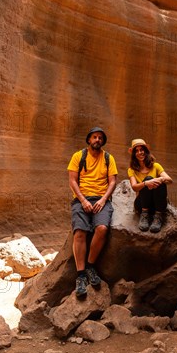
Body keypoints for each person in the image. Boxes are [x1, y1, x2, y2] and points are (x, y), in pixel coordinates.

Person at [67, 127, 118, 298]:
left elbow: (112, 182)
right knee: (80, 232)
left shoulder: (108, 158)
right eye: (94, 137)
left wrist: (103, 200)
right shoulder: (78, 156)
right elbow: (72, 180)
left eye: (100, 138)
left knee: (102, 228)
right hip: (81, 199)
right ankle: (81, 275)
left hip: (101, 200)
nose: (97, 140)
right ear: (89, 140)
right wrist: (83, 200)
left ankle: (90, 266)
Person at [127, 139, 172, 233]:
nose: (140, 152)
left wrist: (160, 179)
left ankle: (158, 217)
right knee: (148, 180)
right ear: (134, 154)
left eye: (142, 149)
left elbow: (170, 180)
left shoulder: (156, 166)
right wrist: (145, 183)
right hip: (142, 204)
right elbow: (134, 187)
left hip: (157, 204)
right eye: (137, 150)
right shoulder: (132, 170)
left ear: (146, 151)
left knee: (160, 182)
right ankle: (144, 216)